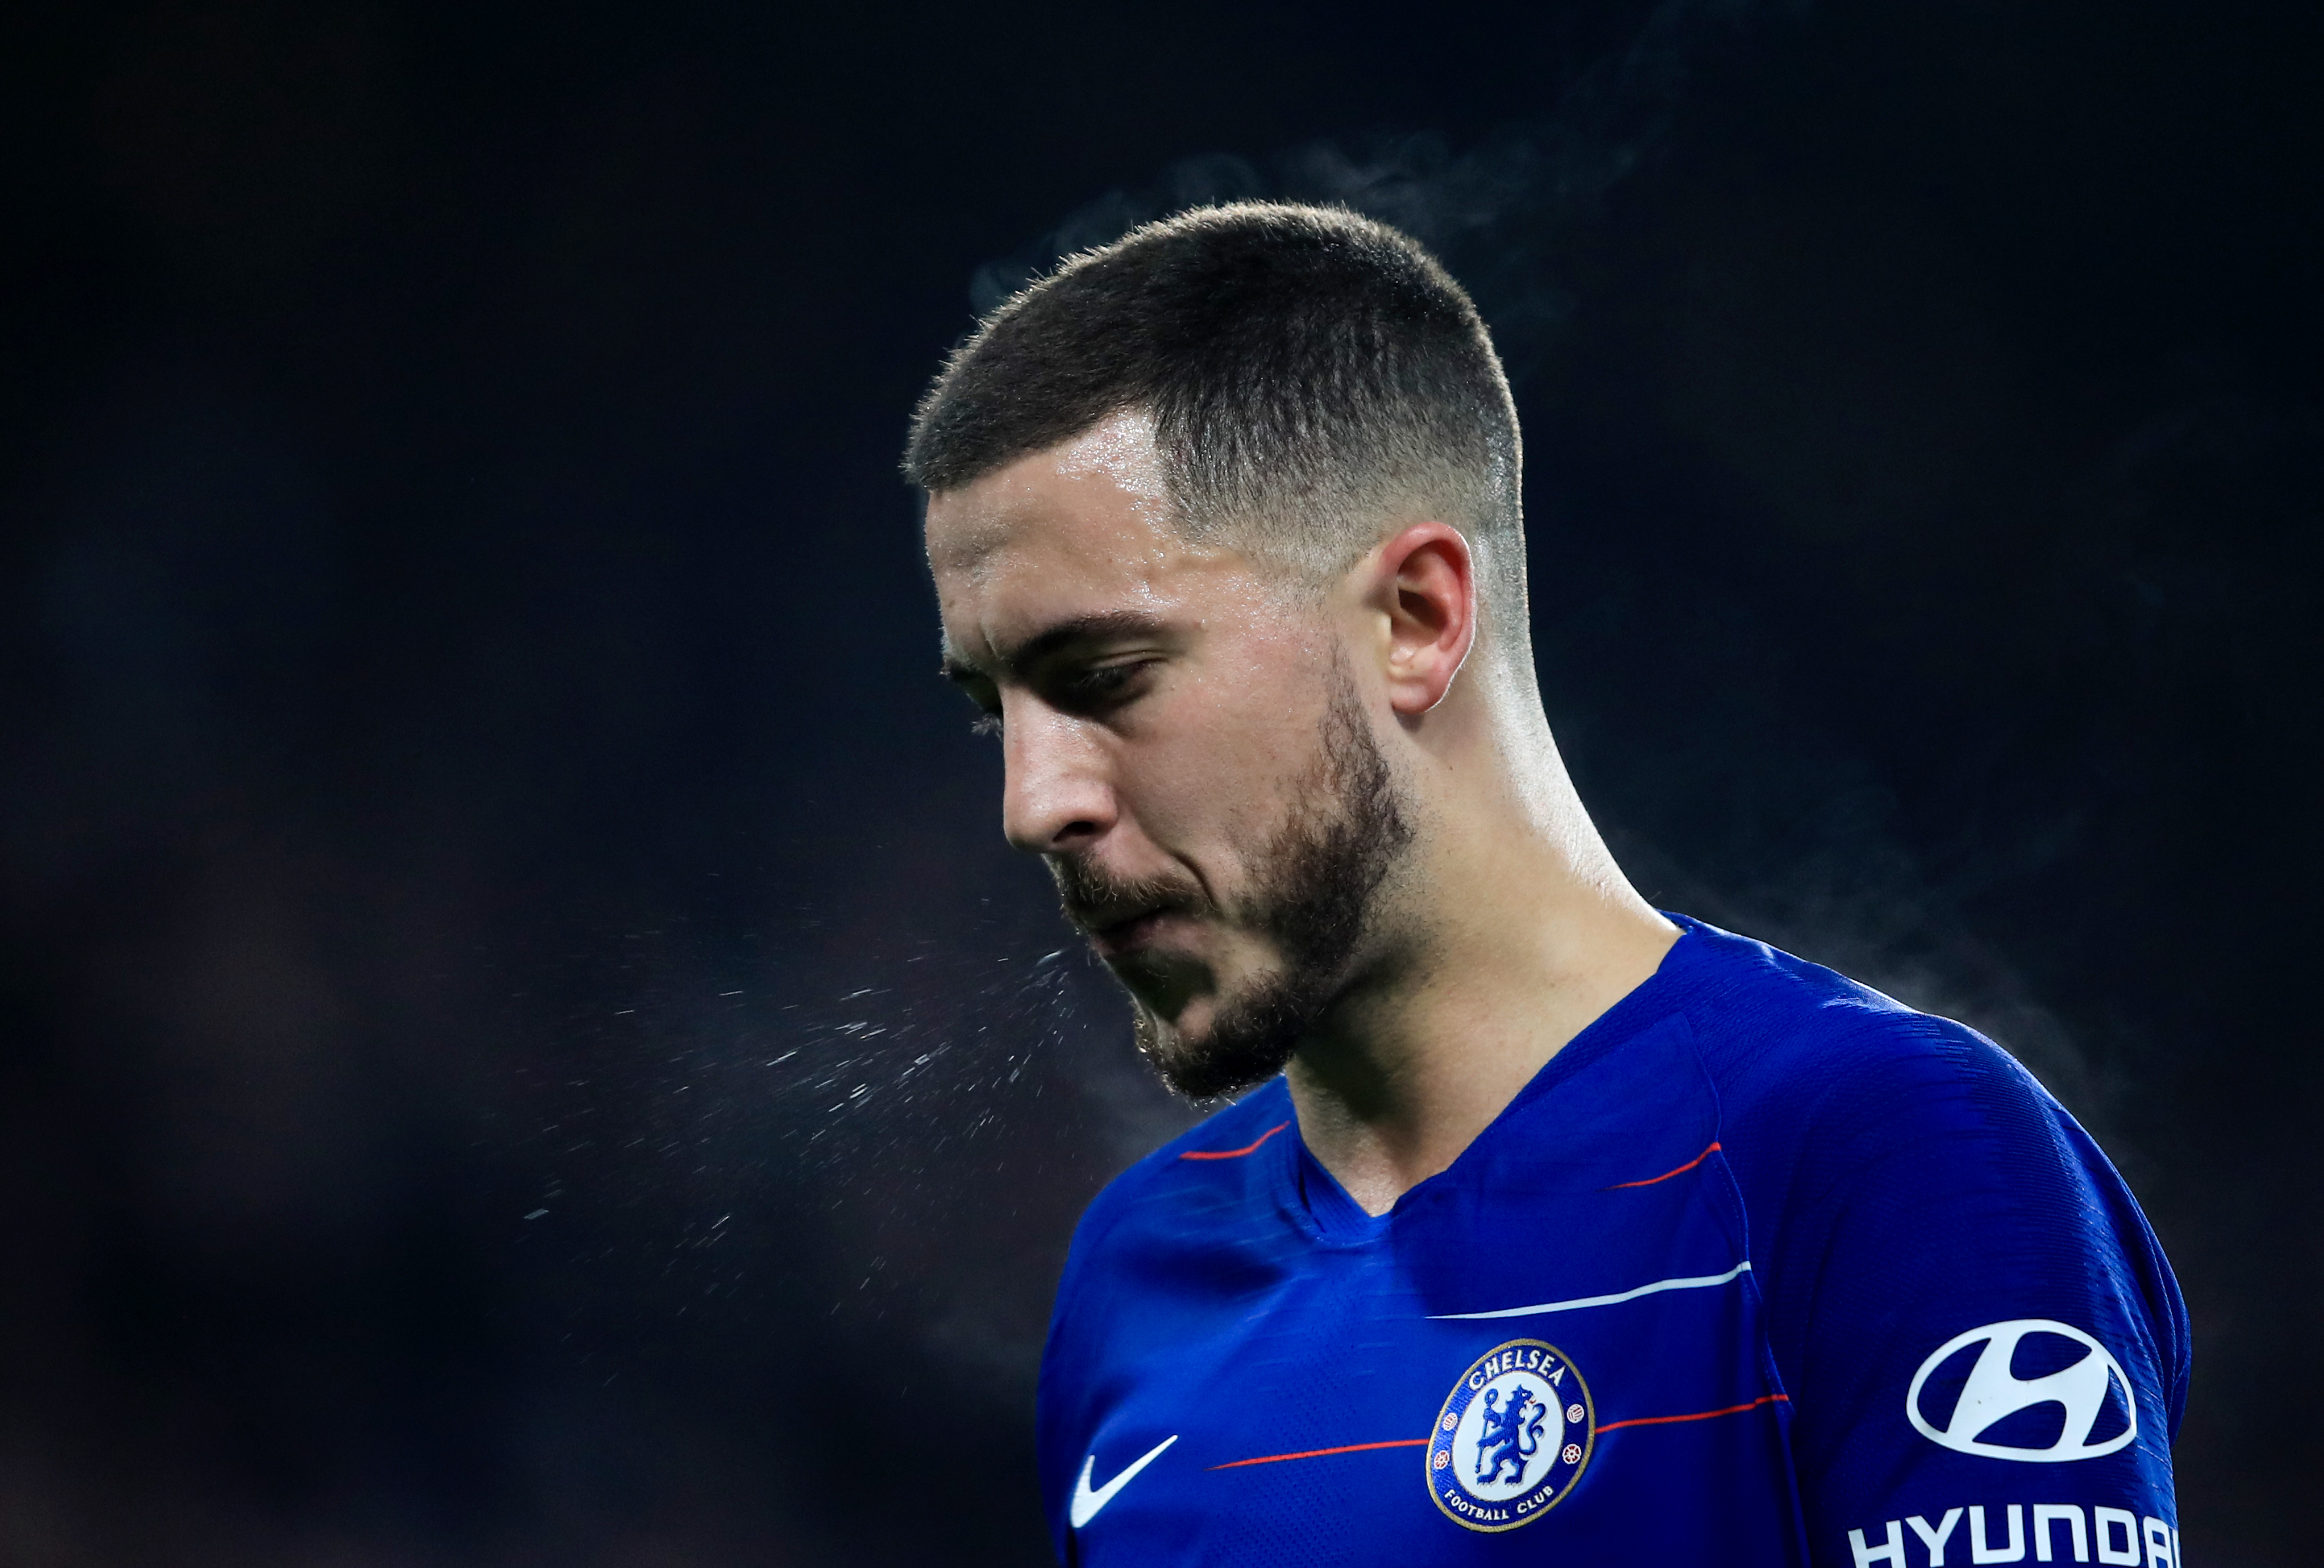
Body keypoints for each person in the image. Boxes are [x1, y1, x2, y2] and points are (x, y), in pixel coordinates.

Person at [905, 203, 2186, 1567]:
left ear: (1415, 618)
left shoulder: (1875, 1151)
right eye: (997, 714)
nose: (1035, 801)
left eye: (1104, 680)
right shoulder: (1134, 1276)